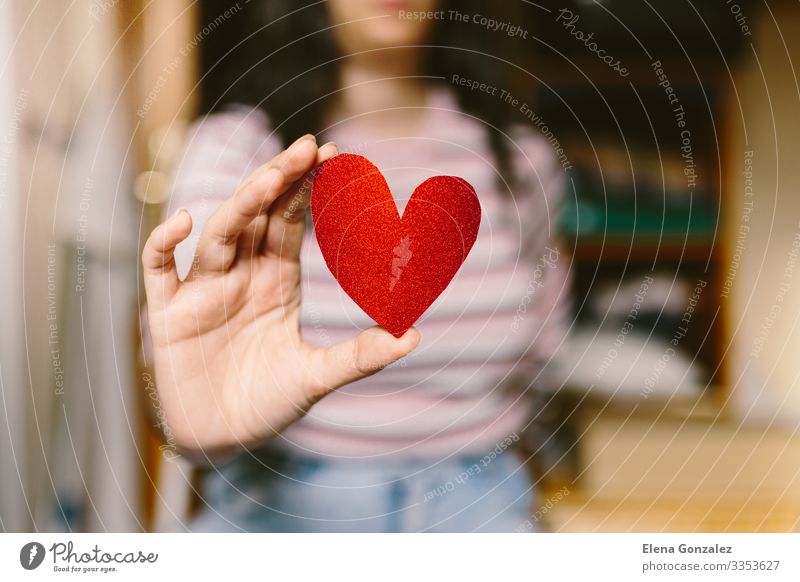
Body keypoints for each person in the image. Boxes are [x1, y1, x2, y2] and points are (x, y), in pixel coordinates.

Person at [142, 0, 570, 532]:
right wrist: (196, 408)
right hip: (278, 505)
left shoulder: (520, 157)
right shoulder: (236, 151)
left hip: (482, 501)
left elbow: (543, 347)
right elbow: (179, 375)